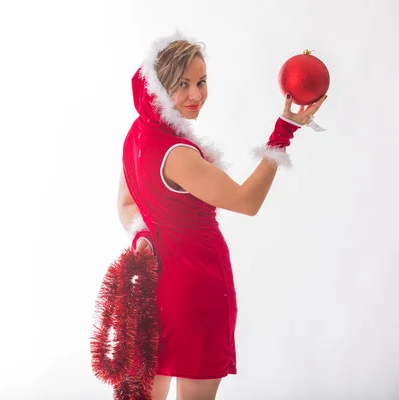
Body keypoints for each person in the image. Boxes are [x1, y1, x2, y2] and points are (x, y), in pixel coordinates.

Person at [117, 32, 327, 400]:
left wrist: (144, 238)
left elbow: (127, 205)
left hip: (151, 291)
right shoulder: (178, 154)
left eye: (201, 81)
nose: (196, 94)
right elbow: (247, 201)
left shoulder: (137, 134)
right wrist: (285, 131)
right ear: (160, 86)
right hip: (196, 292)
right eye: (181, 85)